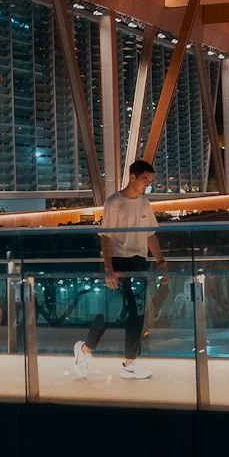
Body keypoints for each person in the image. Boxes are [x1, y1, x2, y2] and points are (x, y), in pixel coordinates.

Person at [74, 159, 168, 380]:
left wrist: (162, 262)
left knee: (137, 314)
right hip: (118, 262)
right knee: (111, 312)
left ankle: (129, 363)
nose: (147, 185)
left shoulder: (144, 203)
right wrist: (108, 268)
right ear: (132, 177)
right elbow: (105, 238)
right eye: (145, 180)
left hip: (138, 262)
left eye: (150, 182)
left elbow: (150, 235)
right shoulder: (114, 202)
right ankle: (85, 349)